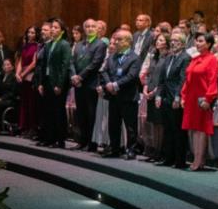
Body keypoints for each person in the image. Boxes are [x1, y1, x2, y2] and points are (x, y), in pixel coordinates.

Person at [98, 30, 142, 159]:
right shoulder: (113, 56)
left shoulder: (135, 58)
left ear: (128, 41)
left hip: (128, 97)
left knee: (130, 126)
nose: (115, 42)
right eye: (115, 39)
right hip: (114, 96)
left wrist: (115, 85)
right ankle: (114, 148)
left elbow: (131, 76)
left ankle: (131, 150)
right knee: (113, 124)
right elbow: (104, 71)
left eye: (119, 40)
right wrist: (108, 84)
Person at [180, 32, 218, 171]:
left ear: (208, 44)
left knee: (200, 130)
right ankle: (197, 159)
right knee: (192, 129)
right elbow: (188, 79)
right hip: (191, 97)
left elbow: (212, 80)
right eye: (196, 41)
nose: (197, 43)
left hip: (202, 98)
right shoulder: (195, 58)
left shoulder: (211, 59)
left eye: (201, 41)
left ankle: (198, 160)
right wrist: (183, 96)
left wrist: (208, 98)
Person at [68, 19, 107, 152]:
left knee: (92, 115)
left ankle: (92, 143)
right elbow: (71, 62)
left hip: (90, 84)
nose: (90, 28)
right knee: (81, 113)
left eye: (93, 26)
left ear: (97, 29)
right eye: (88, 26)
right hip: (78, 84)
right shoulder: (78, 45)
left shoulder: (100, 44)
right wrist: (73, 75)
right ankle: (82, 141)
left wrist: (80, 76)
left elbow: (95, 64)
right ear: (84, 29)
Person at [156, 32, 191, 168]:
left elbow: (183, 80)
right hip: (165, 97)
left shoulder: (185, 58)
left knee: (178, 130)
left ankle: (179, 160)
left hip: (176, 98)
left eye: (176, 41)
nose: (172, 43)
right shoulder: (168, 57)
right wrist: (158, 95)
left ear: (182, 43)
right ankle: (168, 158)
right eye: (172, 41)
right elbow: (162, 79)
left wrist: (178, 96)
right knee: (168, 129)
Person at [37, 18, 71, 148]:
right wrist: (41, 83)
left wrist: (60, 84)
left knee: (58, 111)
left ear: (62, 31)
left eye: (56, 27)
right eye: (52, 27)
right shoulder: (48, 44)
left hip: (58, 83)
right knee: (48, 111)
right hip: (47, 81)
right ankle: (48, 137)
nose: (53, 29)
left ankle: (59, 139)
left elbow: (65, 66)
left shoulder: (64, 44)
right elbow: (43, 65)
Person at [140, 34, 168, 162]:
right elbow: (149, 75)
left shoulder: (167, 58)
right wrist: (146, 88)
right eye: (157, 40)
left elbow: (164, 79)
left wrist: (155, 91)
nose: (158, 42)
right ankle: (154, 150)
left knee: (160, 123)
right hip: (150, 92)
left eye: (161, 40)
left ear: (167, 43)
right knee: (154, 123)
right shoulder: (155, 57)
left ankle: (160, 151)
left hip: (160, 94)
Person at [16, 26, 40, 136]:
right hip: (23, 76)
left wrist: (23, 74)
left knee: (31, 103)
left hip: (30, 76)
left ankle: (32, 128)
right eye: (29, 32)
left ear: (36, 34)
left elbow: (34, 63)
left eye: (32, 32)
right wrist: (17, 73)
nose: (30, 34)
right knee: (24, 103)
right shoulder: (25, 46)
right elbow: (20, 61)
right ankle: (23, 127)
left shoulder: (37, 46)